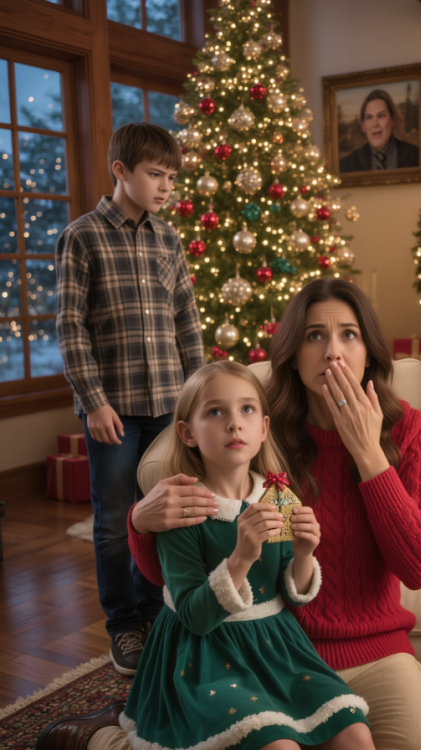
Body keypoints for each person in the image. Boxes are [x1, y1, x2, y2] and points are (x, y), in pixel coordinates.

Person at [44, 279, 421, 750]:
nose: (332, 352)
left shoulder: (406, 428)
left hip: (376, 653)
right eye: (314, 335)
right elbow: (176, 570)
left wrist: (368, 455)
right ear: (292, 352)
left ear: (370, 352)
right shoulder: (260, 430)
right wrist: (140, 522)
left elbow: (420, 566)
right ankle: (107, 737)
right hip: (266, 652)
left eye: (349, 334)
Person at [118, 360, 374, 750]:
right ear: (187, 433)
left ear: (264, 428)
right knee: (277, 744)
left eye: (247, 409)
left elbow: (294, 593)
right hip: (202, 658)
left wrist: (304, 555)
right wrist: (241, 557)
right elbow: (194, 617)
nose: (234, 423)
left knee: (356, 734)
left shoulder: (278, 497)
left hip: (277, 648)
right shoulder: (183, 512)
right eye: (215, 411)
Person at [55, 122, 204, 675]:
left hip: (170, 404)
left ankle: (156, 609)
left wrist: (199, 396)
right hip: (112, 411)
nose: (166, 186)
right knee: (117, 516)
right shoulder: (82, 236)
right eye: (155, 175)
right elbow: (70, 327)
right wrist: (92, 401)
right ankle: (125, 626)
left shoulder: (168, 239)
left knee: (168, 512)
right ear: (121, 171)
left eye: (172, 177)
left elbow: (186, 321)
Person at [338, 89, 419, 173]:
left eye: (381, 116)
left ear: (392, 120)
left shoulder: (417, 156)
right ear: (363, 126)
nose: (375, 124)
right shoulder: (346, 165)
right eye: (369, 117)